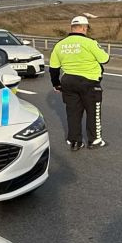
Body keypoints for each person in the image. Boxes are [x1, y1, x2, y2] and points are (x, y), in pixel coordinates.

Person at [49, 15, 110, 151]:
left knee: (73, 113)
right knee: (93, 112)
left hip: (68, 81)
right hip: (89, 82)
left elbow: (53, 68)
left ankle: (75, 141)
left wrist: (56, 84)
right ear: (84, 28)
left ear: (72, 28)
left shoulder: (60, 44)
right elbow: (105, 59)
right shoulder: (89, 43)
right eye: (87, 28)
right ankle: (95, 140)